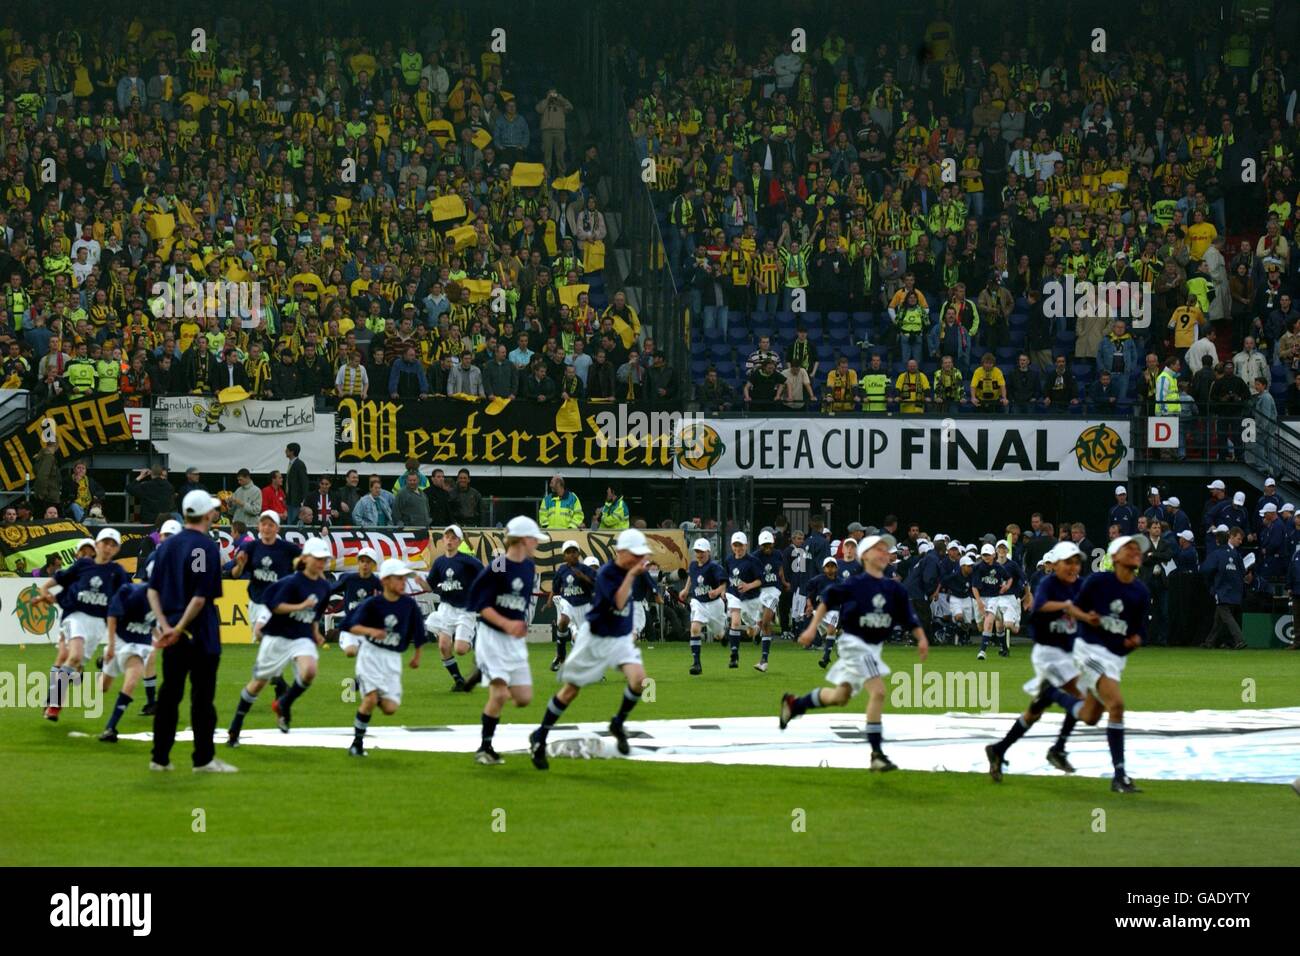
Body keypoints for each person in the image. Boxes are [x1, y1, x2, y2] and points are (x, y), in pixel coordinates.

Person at [783, 534, 930, 772]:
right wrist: (811, 629)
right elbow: (827, 601)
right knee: (879, 692)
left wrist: (921, 638)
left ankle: (794, 705)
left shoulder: (894, 588)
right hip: (854, 644)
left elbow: (907, 615)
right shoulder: (855, 584)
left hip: (873, 648)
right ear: (865, 556)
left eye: (886, 549)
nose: (884, 552)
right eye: (878, 549)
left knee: (840, 697)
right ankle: (876, 754)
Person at [528, 528, 654, 770]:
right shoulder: (608, 573)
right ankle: (540, 736)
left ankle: (617, 723)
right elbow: (617, 603)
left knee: (639, 681)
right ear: (621, 552)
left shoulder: (633, 570)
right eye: (636, 554)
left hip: (619, 639)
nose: (640, 559)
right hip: (595, 637)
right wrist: (631, 576)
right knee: (570, 691)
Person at [1043, 535, 1151, 793]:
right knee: (1117, 704)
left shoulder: (1141, 592)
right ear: (1114, 557)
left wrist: (1135, 640)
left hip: (1114, 659)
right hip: (1088, 651)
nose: (1136, 552)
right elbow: (1073, 609)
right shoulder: (1098, 582)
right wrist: (1087, 618)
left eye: (1139, 549)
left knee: (1091, 716)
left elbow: (1140, 632)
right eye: (1130, 548)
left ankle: (1057, 737)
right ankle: (1120, 776)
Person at [985, 542, 1095, 780]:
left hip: (1066, 654)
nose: (1074, 567)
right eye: (1069, 562)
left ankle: (998, 749)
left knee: (1035, 711)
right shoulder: (1049, 584)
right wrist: (1068, 606)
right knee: (1079, 697)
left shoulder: (1081, 586)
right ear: (1056, 565)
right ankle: (1058, 748)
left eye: (1077, 562)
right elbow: (1041, 606)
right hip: (1047, 653)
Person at [147, 490, 231, 772]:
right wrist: (181, 627)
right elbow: (200, 597)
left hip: (171, 633)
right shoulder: (206, 546)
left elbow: (152, 591)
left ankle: (160, 758)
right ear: (207, 514)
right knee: (202, 698)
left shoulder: (166, 546)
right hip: (201, 633)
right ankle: (203, 759)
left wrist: (167, 627)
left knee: (169, 694)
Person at [225, 538, 333, 744]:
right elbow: (274, 605)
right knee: (258, 684)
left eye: (324, 559)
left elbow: (315, 614)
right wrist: (300, 606)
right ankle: (235, 727)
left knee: (309, 671)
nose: (321, 563)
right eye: (317, 558)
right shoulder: (291, 582)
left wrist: (316, 633)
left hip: (301, 637)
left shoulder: (324, 587)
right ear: (305, 558)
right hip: (278, 637)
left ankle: (284, 703)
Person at [468, 515, 546, 765]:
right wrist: (508, 623)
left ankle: (486, 673)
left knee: (523, 698)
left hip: (513, 641)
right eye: (534, 538)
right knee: (500, 695)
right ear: (523, 539)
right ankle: (485, 748)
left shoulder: (529, 566)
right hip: (492, 637)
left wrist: (518, 623)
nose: (537, 543)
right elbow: (482, 606)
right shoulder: (499, 566)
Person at [38, 529, 128, 721]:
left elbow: (123, 598)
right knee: (73, 656)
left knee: (75, 662)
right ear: (97, 545)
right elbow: (60, 578)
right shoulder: (83, 565)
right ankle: (54, 705)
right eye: (105, 543)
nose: (108, 547)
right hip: (75, 616)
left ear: (118, 549)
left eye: (113, 545)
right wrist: (45, 589)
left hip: (97, 625)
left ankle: (52, 696)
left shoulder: (117, 572)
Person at [344, 559, 428, 757]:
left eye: (404, 578)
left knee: (390, 708)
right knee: (370, 700)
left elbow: (419, 632)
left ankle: (372, 691)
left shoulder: (408, 605)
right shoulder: (372, 604)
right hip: (370, 655)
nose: (403, 582)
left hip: (392, 658)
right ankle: (357, 744)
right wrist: (371, 630)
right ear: (385, 581)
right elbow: (350, 626)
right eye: (398, 578)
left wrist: (417, 656)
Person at [228, 509, 302, 700]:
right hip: (255, 600)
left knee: (262, 632)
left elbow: (305, 562)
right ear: (259, 526)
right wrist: (241, 565)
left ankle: (267, 675)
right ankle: (279, 681)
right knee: (263, 640)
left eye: (270, 525)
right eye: (263, 524)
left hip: (276, 602)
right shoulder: (251, 548)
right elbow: (235, 575)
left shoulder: (287, 548)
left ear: (277, 528)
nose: (266, 528)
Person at [97, 581, 159, 743]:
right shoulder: (131, 592)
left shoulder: (165, 598)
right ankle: (103, 664)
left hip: (139, 644)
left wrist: (165, 639)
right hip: (120, 640)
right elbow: (112, 616)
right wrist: (110, 645)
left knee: (131, 682)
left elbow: (152, 624)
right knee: (102, 688)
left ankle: (110, 728)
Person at [425, 525, 484, 692]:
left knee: (461, 649)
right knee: (443, 645)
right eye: (447, 537)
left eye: (453, 538)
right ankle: (458, 680)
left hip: (465, 609)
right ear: (443, 540)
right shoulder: (439, 562)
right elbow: (429, 586)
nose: (449, 540)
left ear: (459, 541)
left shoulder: (469, 561)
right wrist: (415, 580)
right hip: (446, 608)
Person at [680, 538, 727, 676]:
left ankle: (723, 636)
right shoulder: (694, 565)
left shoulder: (714, 567)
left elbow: (724, 583)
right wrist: (685, 590)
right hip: (698, 602)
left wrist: (717, 591)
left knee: (718, 633)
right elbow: (691, 576)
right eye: (697, 552)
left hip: (714, 605)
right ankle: (696, 663)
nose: (699, 555)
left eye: (702, 552)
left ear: (708, 552)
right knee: (694, 629)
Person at [548, 541, 595, 672]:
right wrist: (549, 600)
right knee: (562, 622)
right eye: (568, 552)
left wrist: (584, 578)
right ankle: (560, 655)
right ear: (564, 556)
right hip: (567, 602)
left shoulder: (586, 569)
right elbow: (555, 587)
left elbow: (596, 585)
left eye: (574, 551)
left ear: (579, 553)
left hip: (584, 605)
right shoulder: (562, 570)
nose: (572, 554)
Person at [1200, 526, 1250, 649]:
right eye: (1239, 539)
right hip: (1235, 591)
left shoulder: (1217, 554)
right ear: (1230, 537)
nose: (1240, 541)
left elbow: (1205, 570)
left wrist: (1212, 584)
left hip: (1222, 590)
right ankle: (1209, 641)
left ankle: (1240, 640)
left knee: (1226, 617)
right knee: (1219, 619)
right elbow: (1243, 572)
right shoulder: (1236, 555)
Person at [723, 531, 764, 670]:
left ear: (746, 545)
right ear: (731, 546)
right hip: (734, 595)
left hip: (750, 598)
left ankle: (757, 629)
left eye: (740, 545)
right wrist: (723, 590)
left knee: (750, 630)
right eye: (735, 545)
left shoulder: (753, 561)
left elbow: (760, 580)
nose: (738, 549)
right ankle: (734, 654)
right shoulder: (729, 560)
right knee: (735, 622)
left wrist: (748, 586)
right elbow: (727, 578)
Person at [753, 530, 788, 672]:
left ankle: (764, 660)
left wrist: (784, 582)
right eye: (764, 546)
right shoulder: (755, 557)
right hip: (760, 590)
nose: (767, 548)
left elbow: (780, 570)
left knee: (766, 622)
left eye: (769, 545)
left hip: (774, 590)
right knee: (760, 622)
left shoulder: (778, 554)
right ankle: (758, 631)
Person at [971, 543, 1011, 659]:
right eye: (984, 555)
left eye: (988, 555)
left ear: (994, 555)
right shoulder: (978, 568)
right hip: (980, 597)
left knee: (988, 622)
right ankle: (1004, 647)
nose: (986, 557)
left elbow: (1009, 578)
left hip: (994, 598)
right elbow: (974, 587)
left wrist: (1006, 586)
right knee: (981, 625)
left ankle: (982, 651)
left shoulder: (999, 568)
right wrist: (979, 603)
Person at [285, 443, 308, 513]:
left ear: (292, 452)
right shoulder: (291, 463)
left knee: (293, 521)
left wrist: (304, 499)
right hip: (290, 499)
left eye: (287, 450)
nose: (285, 451)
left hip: (296, 500)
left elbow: (304, 482)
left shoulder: (299, 464)